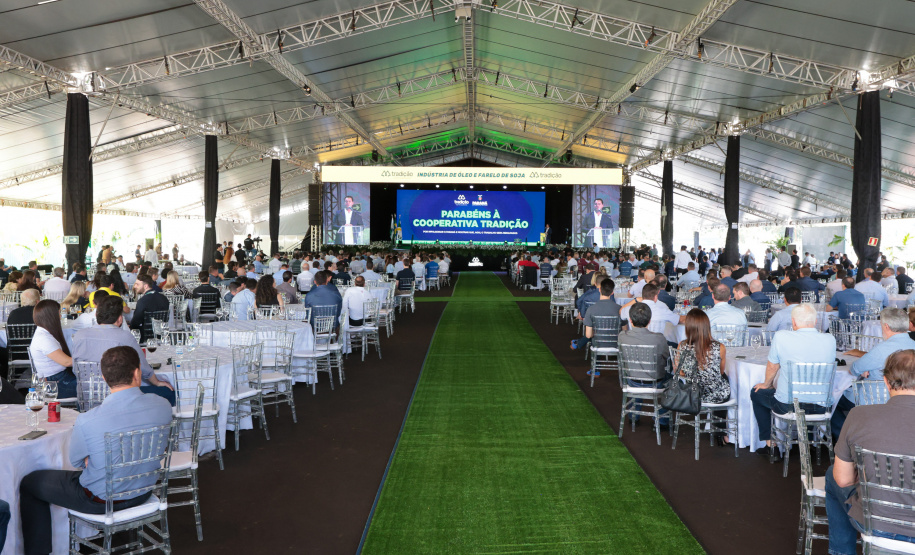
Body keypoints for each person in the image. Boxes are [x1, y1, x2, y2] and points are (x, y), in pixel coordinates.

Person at [19, 346, 172, 555]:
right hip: (144, 491)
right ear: (137, 373)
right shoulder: (162, 405)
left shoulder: (88, 419)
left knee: (30, 482)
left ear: (103, 377)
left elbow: (77, 462)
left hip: (102, 500)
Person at [825, 349, 915, 555]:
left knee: (832, 475)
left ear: (885, 382)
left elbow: (843, 480)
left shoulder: (859, 415)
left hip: (876, 523)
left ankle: (840, 552)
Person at [750, 303, 836, 455]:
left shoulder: (782, 336)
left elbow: (772, 367)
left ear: (794, 322)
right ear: (815, 321)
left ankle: (771, 446)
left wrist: (766, 384)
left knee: (756, 393)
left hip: (788, 406)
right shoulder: (830, 339)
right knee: (809, 396)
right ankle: (807, 443)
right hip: (821, 407)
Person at [72, 296, 175, 404]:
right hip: (118, 398)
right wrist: (157, 382)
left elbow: (76, 369)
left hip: (86, 397)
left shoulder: (79, 335)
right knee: (168, 391)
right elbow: (143, 368)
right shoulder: (124, 337)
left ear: (97, 315)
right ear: (120, 319)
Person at [831, 308, 915, 439]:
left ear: (886, 326)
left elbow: (854, 369)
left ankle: (848, 440)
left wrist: (867, 368)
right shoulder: (913, 345)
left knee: (831, 401)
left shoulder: (882, 349)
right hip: (908, 401)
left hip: (875, 398)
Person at [674, 309, 731, 404]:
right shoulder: (720, 347)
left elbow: (681, 373)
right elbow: (720, 372)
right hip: (717, 396)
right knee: (725, 377)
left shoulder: (682, 345)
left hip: (693, 394)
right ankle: (718, 417)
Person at [29, 300, 78, 399]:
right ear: (52, 316)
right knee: (92, 385)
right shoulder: (44, 339)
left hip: (57, 379)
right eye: (59, 313)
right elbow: (67, 362)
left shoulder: (43, 333)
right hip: (56, 384)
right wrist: (88, 359)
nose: (60, 316)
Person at [618, 301, 670, 382]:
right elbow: (666, 357)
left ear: (630, 321)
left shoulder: (622, 336)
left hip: (631, 380)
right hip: (656, 381)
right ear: (649, 321)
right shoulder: (659, 338)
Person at [571, 278, 619, 352]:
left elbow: (588, 335)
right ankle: (578, 342)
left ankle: (579, 343)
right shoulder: (619, 309)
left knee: (592, 330)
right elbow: (624, 331)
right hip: (616, 343)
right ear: (612, 292)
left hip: (597, 342)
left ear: (599, 290)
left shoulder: (591, 308)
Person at [129, 276, 171, 341]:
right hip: (162, 334)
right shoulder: (164, 298)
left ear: (145, 286)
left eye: (137, 284)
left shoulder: (142, 301)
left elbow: (135, 323)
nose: (135, 286)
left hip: (144, 336)